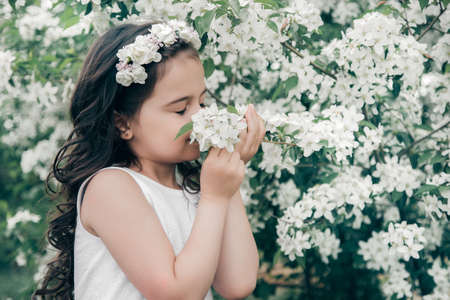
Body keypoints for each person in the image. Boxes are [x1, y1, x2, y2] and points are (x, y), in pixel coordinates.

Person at [32, 20, 266, 300]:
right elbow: (177, 294)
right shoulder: (111, 188)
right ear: (122, 123)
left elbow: (237, 283)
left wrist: (229, 179)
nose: (199, 118)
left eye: (201, 103)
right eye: (180, 109)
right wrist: (215, 197)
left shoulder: (195, 189)